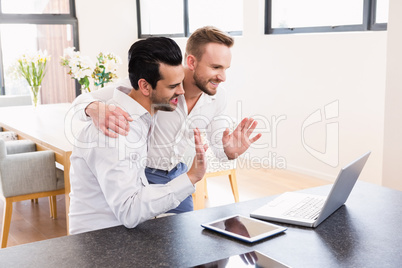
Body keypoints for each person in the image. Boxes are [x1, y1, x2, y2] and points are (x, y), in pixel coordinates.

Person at [72, 26, 262, 214]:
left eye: (226, 68)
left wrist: (229, 151)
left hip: (178, 174)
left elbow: (219, 148)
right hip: (142, 173)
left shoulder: (218, 97)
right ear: (191, 61)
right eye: (215, 67)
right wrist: (95, 108)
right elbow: (80, 102)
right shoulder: (155, 82)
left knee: (184, 235)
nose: (223, 77)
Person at [68, 37, 208, 234]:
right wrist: (191, 177)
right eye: (172, 86)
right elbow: (129, 211)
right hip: (101, 244)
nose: (182, 91)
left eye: (181, 83)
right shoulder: (117, 129)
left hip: (120, 233)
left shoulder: (139, 115)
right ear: (144, 86)